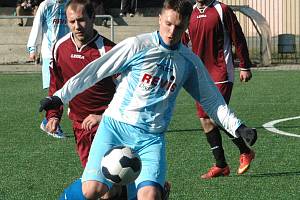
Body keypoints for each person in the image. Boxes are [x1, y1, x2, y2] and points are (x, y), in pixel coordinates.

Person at [39, 0, 257, 199]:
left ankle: (159, 189)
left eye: (179, 27)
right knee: (93, 190)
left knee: (149, 196)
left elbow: (212, 101)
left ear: (187, 25)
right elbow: (94, 71)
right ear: (160, 19)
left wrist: (238, 127)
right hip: (115, 127)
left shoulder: (188, 62)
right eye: (168, 24)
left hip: (151, 138)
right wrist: (59, 97)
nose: (172, 32)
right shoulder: (137, 45)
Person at [46, 0, 125, 198]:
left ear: (93, 18)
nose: (76, 26)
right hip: (80, 126)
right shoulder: (59, 48)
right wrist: (53, 115)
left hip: (108, 126)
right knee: (101, 184)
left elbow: (127, 92)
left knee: (106, 184)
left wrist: (102, 116)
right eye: (71, 21)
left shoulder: (109, 51)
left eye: (81, 20)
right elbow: (57, 85)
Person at [182, 0, 255, 179]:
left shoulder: (222, 10)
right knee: (204, 120)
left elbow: (238, 37)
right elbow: (182, 40)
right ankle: (221, 165)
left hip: (221, 71)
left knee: (214, 115)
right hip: (199, 73)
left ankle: (245, 152)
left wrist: (244, 66)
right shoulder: (190, 12)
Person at [27, 0, 70, 138]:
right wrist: (33, 48)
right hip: (49, 55)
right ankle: (50, 122)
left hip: (67, 53)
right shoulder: (46, 5)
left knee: (67, 89)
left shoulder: (71, 3)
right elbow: (37, 26)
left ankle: (50, 121)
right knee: (55, 90)